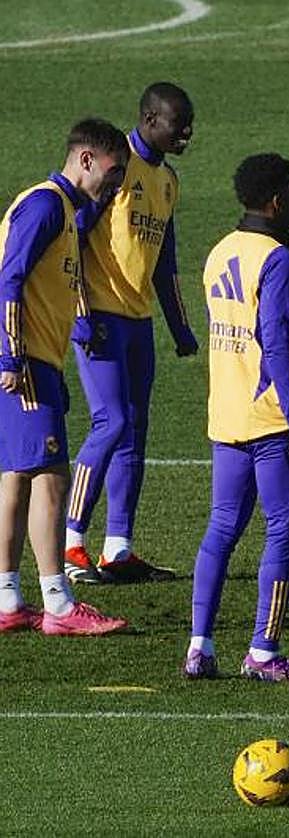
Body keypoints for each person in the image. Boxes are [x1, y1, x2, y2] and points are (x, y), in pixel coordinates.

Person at [183, 153, 289, 682]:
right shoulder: (279, 259)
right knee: (282, 531)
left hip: (227, 415)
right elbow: (276, 342)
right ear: (276, 200)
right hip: (273, 419)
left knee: (221, 529)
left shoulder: (219, 252)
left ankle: (199, 646)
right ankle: (264, 650)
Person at [0, 118, 130, 635]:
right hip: (24, 360)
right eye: (112, 173)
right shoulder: (46, 206)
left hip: (37, 359)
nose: (116, 185)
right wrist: (11, 358)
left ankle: (8, 599)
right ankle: (57, 602)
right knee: (51, 478)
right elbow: (9, 277)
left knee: (15, 477)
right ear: (85, 160)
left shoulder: (63, 211)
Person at [65, 82, 199, 585]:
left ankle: (118, 548)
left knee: (134, 431)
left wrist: (179, 325)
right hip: (100, 314)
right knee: (111, 422)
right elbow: (72, 234)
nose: (187, 132)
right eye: (177, 123)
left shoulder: (168, 181)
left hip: (137, 321)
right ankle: (71, 541)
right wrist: (78, 309)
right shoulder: (114, 166)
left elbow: (165, 259)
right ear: (149, 119)